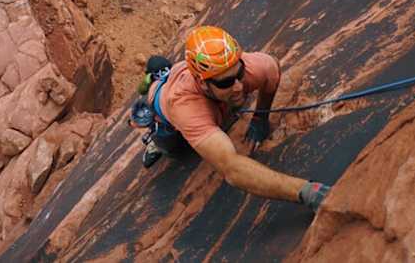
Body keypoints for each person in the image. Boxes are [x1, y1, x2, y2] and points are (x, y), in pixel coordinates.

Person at [140, 25, 330, 211]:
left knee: (226, 104)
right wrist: (308, 192)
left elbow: (271, 72)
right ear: (202, 83)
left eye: (239, 73)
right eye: (226, 82)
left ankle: (173, 75)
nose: (239, 86)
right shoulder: (184, 107)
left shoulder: (249, 66)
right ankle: (154, 141)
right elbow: (231, 168)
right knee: (173, 148)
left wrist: (260, 117)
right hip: (163, 106)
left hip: (186, 77)